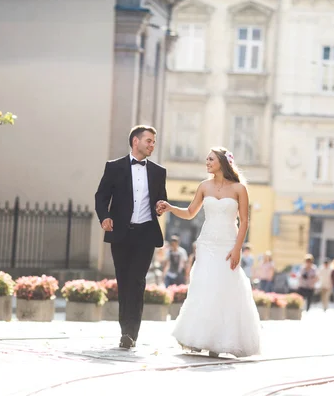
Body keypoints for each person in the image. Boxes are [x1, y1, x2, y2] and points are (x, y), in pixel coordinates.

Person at [157, 147, 261, 358]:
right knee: (203, 286)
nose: (207, 161)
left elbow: (244, 222)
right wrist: (169, 207)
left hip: (228, 244)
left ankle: (219, 341)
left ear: (222, 162)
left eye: (211, 158)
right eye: (206, 158)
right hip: (206, 244)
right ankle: (198, 337)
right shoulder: (204, 186)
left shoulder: (240, 189)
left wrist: (237, 249)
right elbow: (189, 213)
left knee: (224, 288)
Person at [95, 125, 167, 349]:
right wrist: (104, 217)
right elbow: (101, 196)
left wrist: (160, 206)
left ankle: (130, 333)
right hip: (121, 233)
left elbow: (160, 199)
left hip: (145, 233)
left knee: (137, 281)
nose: (152, 145)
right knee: (124, 282)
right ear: (135, 141)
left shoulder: (158, 171)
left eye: (154, 141)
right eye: (149, 141)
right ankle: (124, 328)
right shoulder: (114, 167)